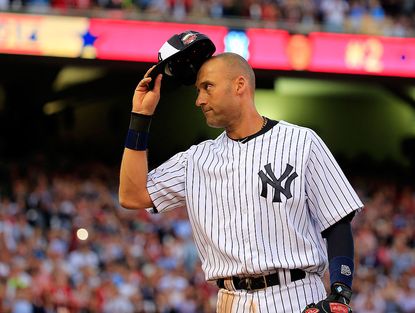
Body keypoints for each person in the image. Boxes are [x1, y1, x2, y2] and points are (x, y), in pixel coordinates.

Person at [119, 52, 363, 313]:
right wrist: (140, 116)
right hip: (230, 300)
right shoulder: (196, 159)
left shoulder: (301, 142)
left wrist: (340, 292)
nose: (199, 100)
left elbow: (336, 222)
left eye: (207, 87)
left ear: (239, 85)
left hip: (296, 295)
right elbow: (131, 195)